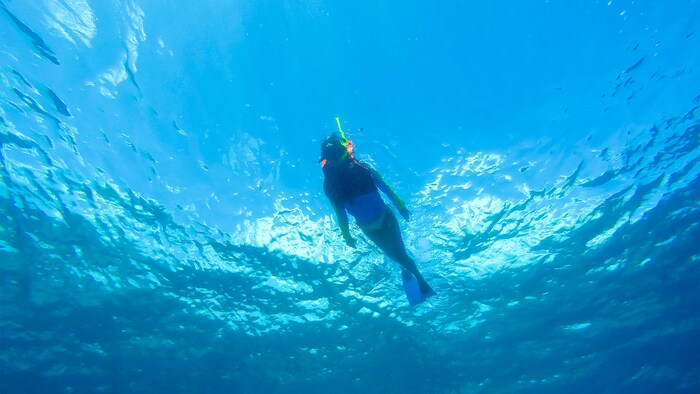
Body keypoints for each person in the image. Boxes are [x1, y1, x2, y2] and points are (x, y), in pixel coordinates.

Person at [320, 133, 436, 298]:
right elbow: (339, 212)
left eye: (338, 153)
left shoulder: (362, 167)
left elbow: (384, 186)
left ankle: (423, 284)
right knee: (392, 254)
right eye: (332, 157)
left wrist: (399, 205)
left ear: (344, 151)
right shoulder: (330, 186)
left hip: (385, 216)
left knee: (400, 253)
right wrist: (346, 235)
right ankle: (405, 269)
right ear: (326, 160)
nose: (337, 159)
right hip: (369, 228)